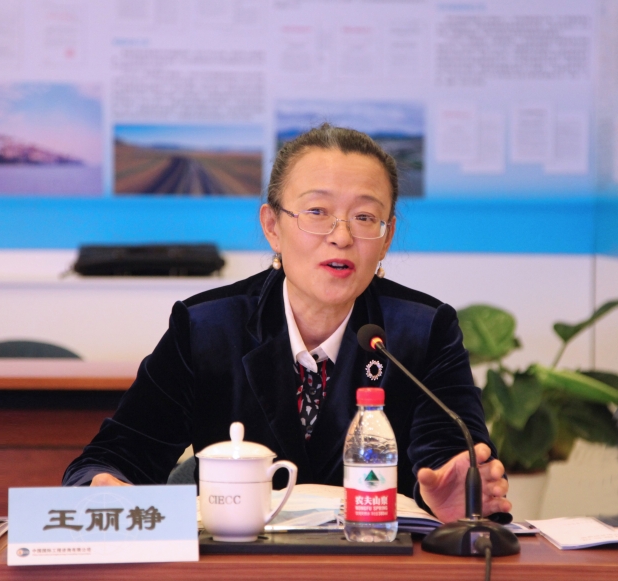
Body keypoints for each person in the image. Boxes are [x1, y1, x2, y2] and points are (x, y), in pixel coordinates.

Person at [63, 124, 511, 523]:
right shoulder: (206, 328)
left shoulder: (423, 331)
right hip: (237, 567)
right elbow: (115, 456)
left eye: (364, 217)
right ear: (273, 226)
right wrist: (104, 484)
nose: (341, 236)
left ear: (386, 237)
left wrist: (455, 494)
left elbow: (448, 459)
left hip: (374, 565)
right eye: (317, 212)